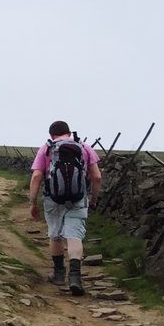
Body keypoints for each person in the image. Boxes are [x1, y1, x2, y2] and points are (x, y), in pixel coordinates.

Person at [29, 120, 102, 296]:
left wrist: (32, 202)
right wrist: (93, 198)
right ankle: (75, 277)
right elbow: (97, 177)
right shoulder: (84, 147)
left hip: (53, 199)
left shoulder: (47, 148)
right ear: (69, 132)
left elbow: (37, 176)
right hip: (78, 198)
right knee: (74, 236)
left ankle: (59, 274)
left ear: (51, 134)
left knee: (55, 236)